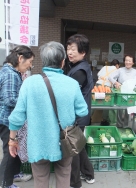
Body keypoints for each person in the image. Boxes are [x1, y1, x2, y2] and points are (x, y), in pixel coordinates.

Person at [8, 41, 88, 188]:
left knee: (40, 178)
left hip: (38, 143)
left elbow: (16, 117)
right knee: (64, 174)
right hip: (64, 141)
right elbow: (83, 111)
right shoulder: (71, 83)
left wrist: (12, 140)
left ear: (43, 61)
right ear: (63, 62)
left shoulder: (29, 83)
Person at [0, 46, 34, 188]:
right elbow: (10, 99)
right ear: (20, 59)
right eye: (30, 62)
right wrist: (28, 102)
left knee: (14, 149)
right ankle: (5, 183)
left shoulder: (10, 72)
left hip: (9, 119)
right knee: (9, 151)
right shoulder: (10, 74)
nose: (30, 66)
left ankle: (14, 175)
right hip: (7, 120)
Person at [66, 34, 95, 188]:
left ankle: (74, 182)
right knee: (78, 145)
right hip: (81, 115)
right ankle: (89, 174)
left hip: (77, 116)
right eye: (68, 48)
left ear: (83, 52)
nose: (69, 52)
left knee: (73, 149)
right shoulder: (79, 67)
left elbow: (70, 96)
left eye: (73, 49)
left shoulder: (79, 71)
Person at [108, 54, 136, 127]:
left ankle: (126, 127)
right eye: (126, 60)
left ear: (133, 63)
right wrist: (116, 82)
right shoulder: (120, 70)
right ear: (124, 61)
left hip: (131, 95)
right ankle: (119, 127)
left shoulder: (135, 71)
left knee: (128, 111)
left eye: (130, 61)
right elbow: (110, 77)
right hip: (121, 94)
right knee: (120, 111)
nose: (128, 62)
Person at [96, 59, 120, 125]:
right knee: (108, 104)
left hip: (98, 86)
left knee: (95, 103)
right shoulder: (116, 70)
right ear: (117, 65)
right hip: (107, 87)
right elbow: (114, 81)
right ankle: (109, 122)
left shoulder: (105, 67)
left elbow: (98, 74)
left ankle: (88, 118)